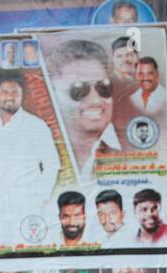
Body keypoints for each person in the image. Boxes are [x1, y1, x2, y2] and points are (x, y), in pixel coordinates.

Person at [0, 73, 61, 248]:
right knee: (2, 251)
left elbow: (52, 164)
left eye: (15, 92)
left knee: (29, 250)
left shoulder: (36, 125)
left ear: (22, 95)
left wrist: (39, 196)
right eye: (5, 92)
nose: (10, 96)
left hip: (27, 202)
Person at [46, 39, 121, 176]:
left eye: (103, 88)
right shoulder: (36, 154)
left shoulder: (131, 154)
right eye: (78, 90)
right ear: (53, 94)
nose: (95, 100)